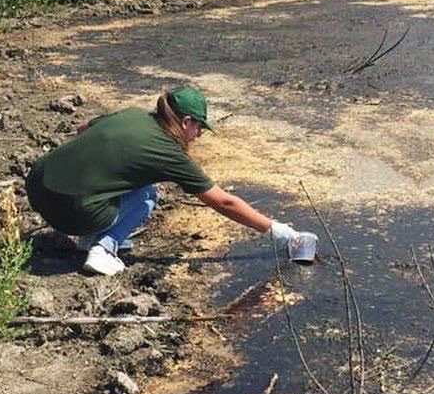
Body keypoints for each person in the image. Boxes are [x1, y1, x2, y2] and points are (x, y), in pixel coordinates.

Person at [25, 86, 302, 276]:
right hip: (72, 214)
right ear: (185, 121)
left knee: (128, 180)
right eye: (198, 128)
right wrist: (277, 230)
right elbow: (223, 201)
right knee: (147, 196)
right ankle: (101, 248)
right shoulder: (168, 152)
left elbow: (83, 128)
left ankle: (90, 234)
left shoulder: (132, 114)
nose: (197, 136)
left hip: (36, 186)